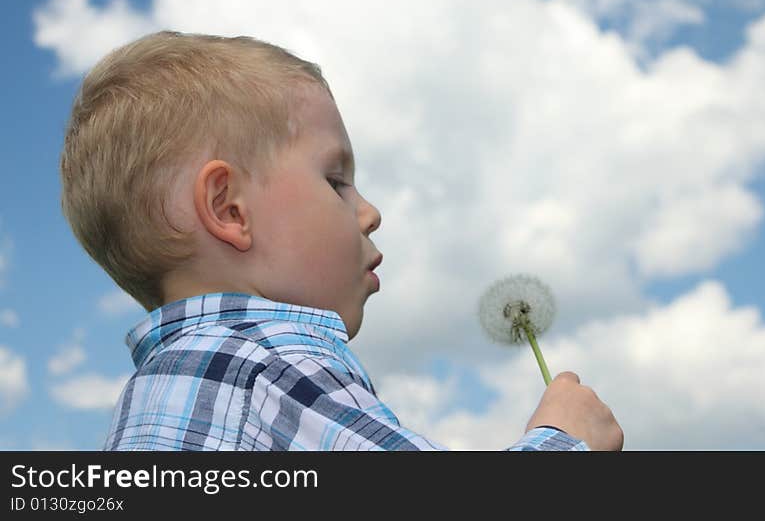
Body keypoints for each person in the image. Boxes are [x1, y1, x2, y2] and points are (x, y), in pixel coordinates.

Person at [60, 31, 624, 451]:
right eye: (335, 181)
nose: (371, 212)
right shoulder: (270, 369)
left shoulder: (155, 397)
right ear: (228, 209)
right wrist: (566, 440)